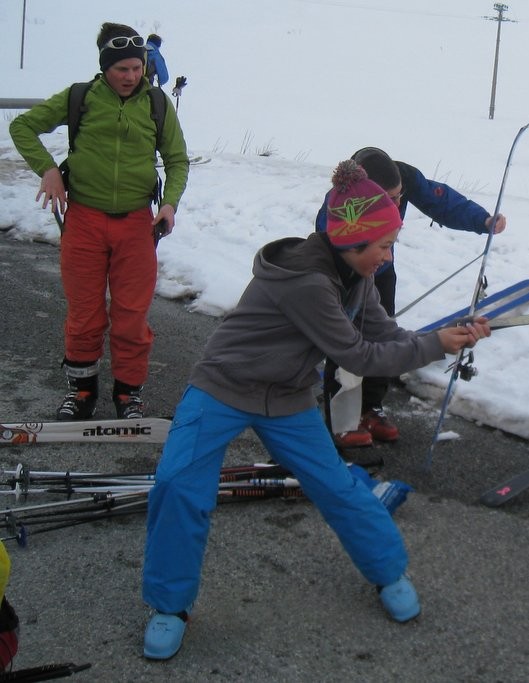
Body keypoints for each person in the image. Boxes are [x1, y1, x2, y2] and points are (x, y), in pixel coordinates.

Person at [140, 160, 491, 661]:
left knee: (336, 485)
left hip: (285, 397)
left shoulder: (354, 274)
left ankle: (387, 572)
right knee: (178, 486)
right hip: (222, 387)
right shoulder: (308, 280)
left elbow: (384, 333)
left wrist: (445, 336)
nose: (388, 258)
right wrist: (434, 345)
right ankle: (170, 606)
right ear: (351, 241)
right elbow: (358, 356)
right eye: (384, 246)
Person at [9, 22, 189, 421]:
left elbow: (178, 160)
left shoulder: (158, 104)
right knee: (85, 314)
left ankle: (128, 396)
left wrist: (170, 203)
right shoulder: (81, 96)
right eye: (121, 68)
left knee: (131, 317)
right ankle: (82, 392)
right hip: (84, 222)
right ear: (105, 67)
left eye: (136, 68)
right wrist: (48, 170)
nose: (130, 76)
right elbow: (21, 126)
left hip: (137, 226)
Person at [314, 147, 507, 449]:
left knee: (382, 331)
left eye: (399, 197)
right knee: (346, 341)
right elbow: (331, 244)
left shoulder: (402, 176)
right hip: (347, 271)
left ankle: (371, 406)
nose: (397, 204)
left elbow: (440, 200)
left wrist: (481, 220)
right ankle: (340, 418)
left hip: (381, 266)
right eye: (388, 200)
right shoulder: (341, 201)